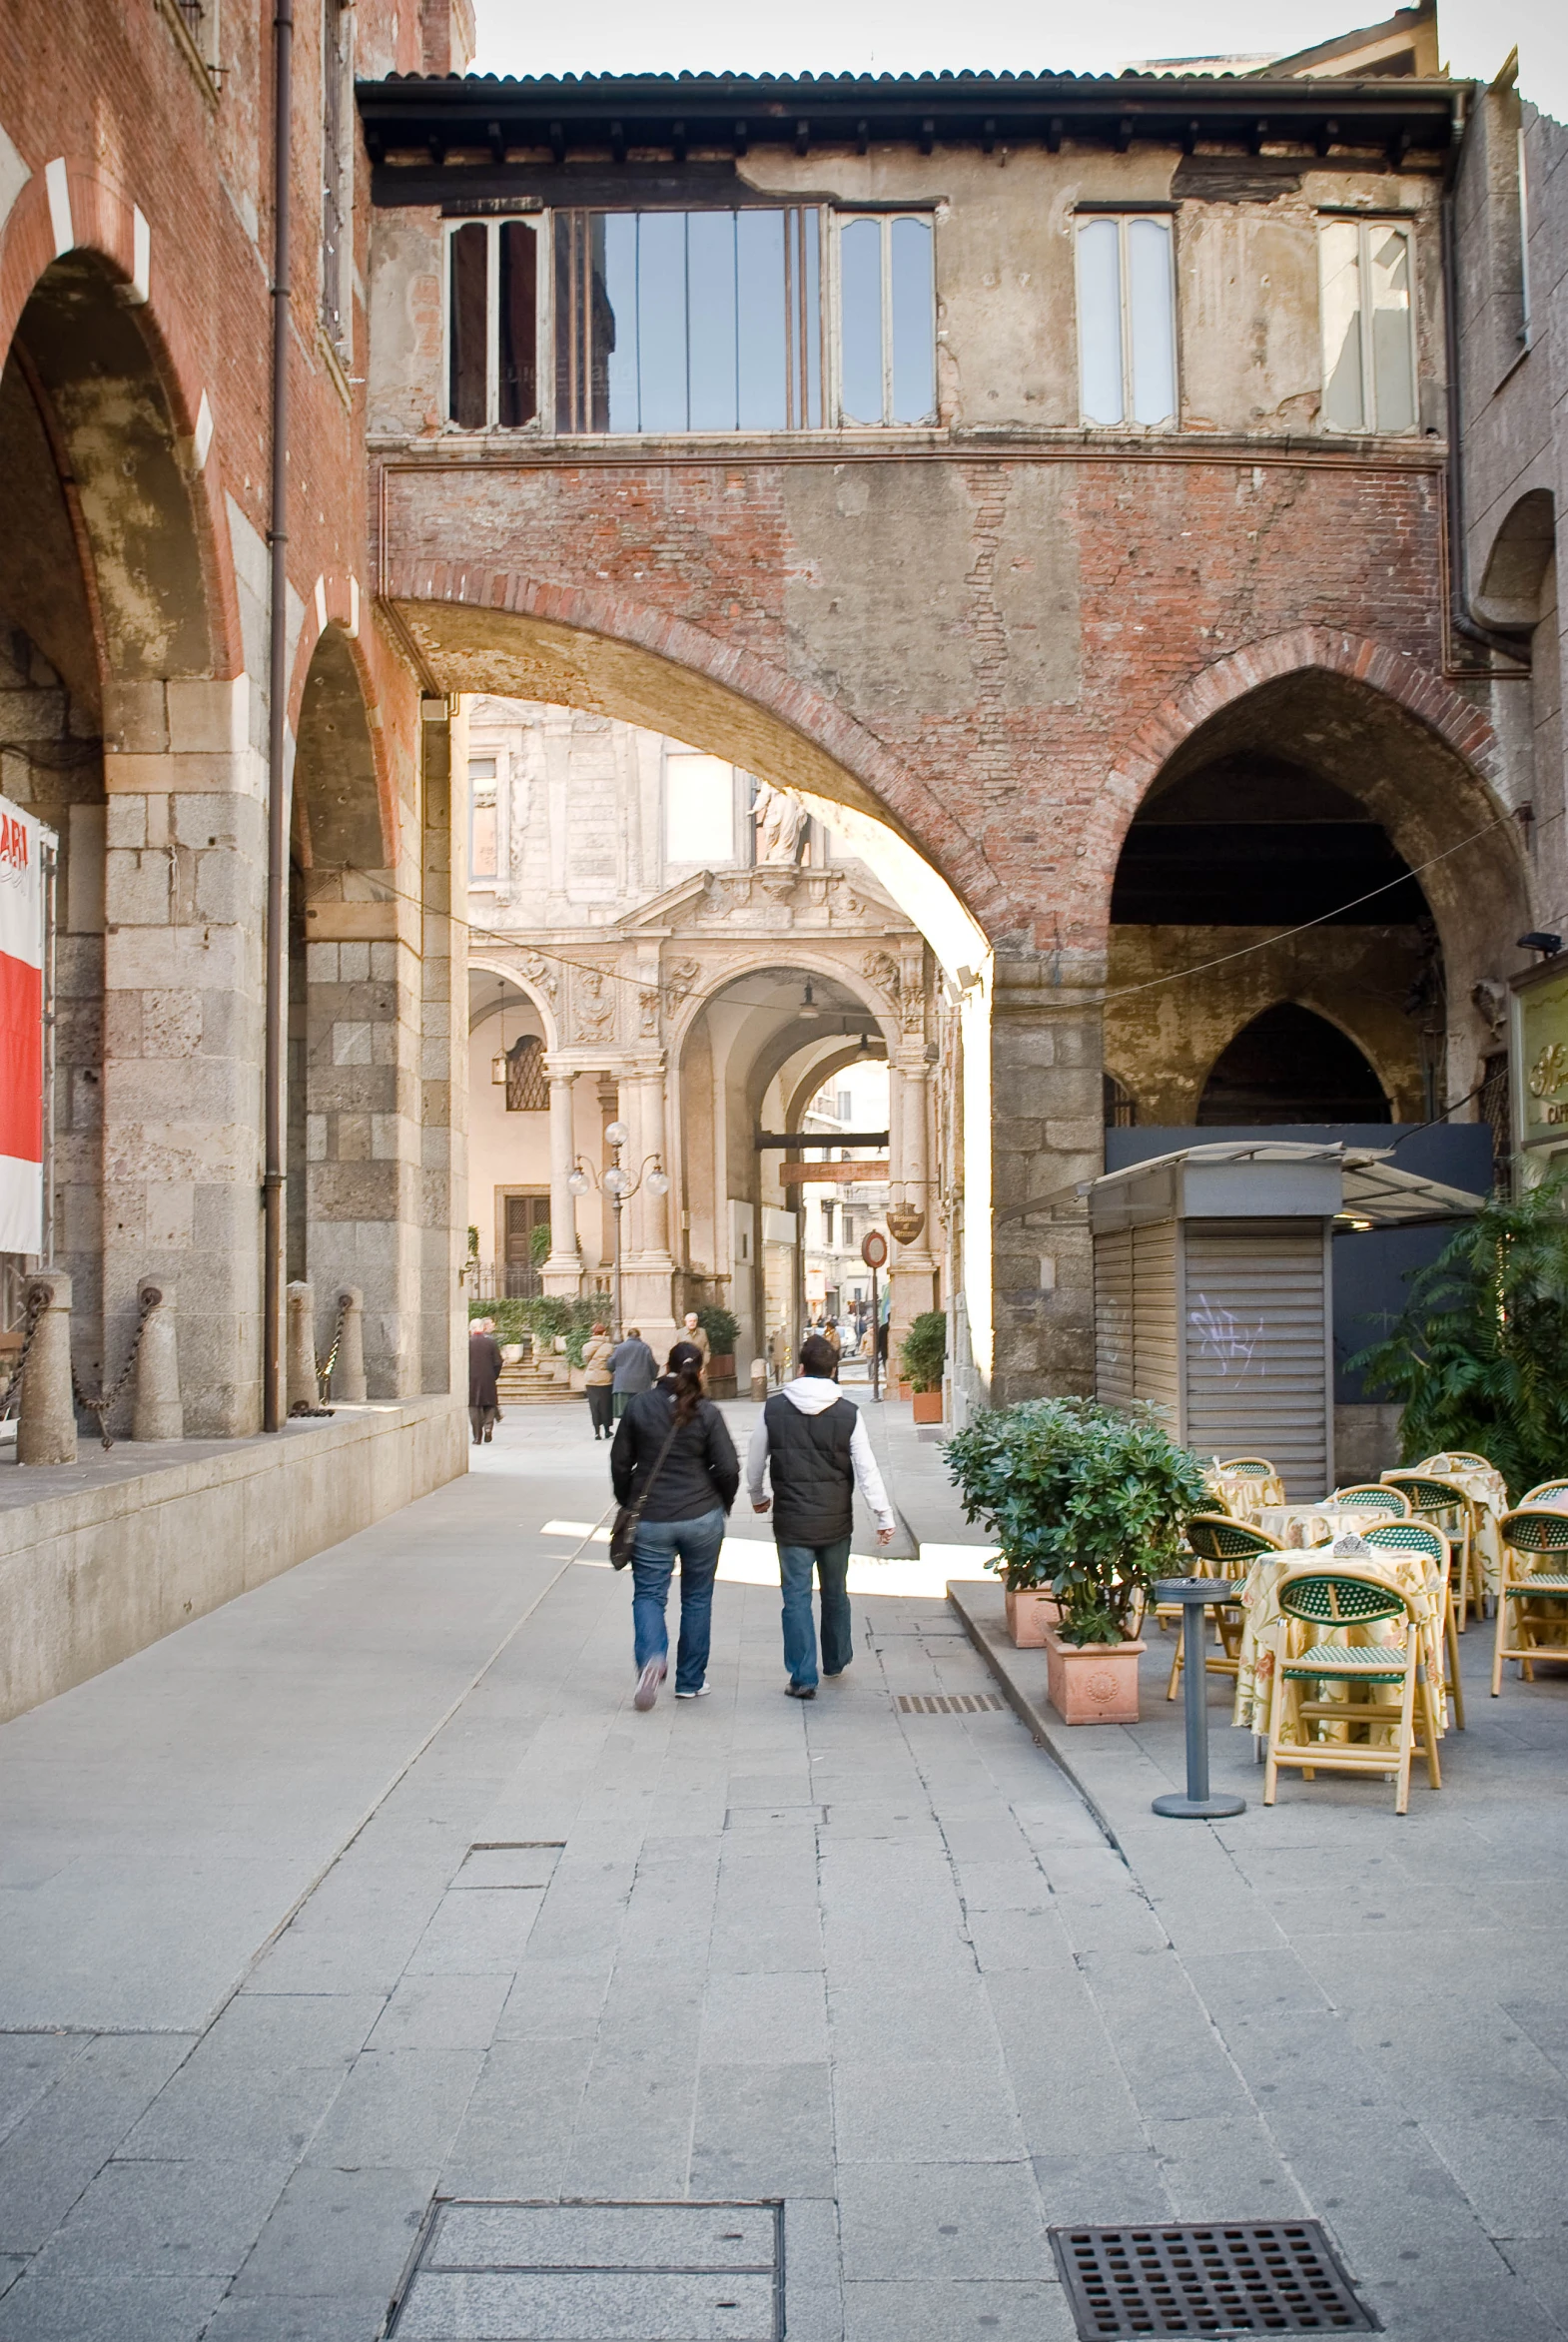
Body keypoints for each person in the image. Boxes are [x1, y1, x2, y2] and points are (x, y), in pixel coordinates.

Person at [747, 1331, 895, 1699]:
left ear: (800, 1368)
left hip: (792, 1522)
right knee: (835, 1591)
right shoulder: (848, 1413)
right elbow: (866, 1467)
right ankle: (835, 1658)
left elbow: (754, 1458)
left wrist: (757, 1494)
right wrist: (883, 1514)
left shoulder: (775, 1408)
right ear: (833, 1371)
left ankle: (802, 1676)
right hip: (835, 1521)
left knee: (795, 1597)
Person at [611, 1340, 739, 1710]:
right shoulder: (708, 1412)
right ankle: (690, 1681)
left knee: (649, 1595)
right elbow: (728, 1467)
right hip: (702, 1517)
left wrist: (628, 1501)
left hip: (651, 1518)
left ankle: (652, 1658)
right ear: (700, 1372)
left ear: (664, 1367)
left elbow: (620, 1462)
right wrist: (721, 1504)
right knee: (697, 1598)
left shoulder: (639, 1406)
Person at [609, 1325, 656, 1421]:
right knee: (640, 1412)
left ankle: (627, 1431)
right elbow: (651, 1364)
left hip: (623, 1385)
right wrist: (654, 1376)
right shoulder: (645, 1347)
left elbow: (610, 1364)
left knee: (625, 1413)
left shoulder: (620, 1347)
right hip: (641, 1385)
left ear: (628, 1336)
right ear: (639, 1336)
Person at [467, 1316, 501, 1445]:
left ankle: (477, 1437)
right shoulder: (491, 1342)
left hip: (472, 1380)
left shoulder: (467, 1343)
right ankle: (488, 1427)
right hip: (488, 1378)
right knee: (490, 1405)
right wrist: (494, 1375)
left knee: (474, 1407)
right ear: (482, 1328)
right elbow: (498, 1362)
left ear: (471, 1329)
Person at [581, 1321, 615, 1440]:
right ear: (604, 1332)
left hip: (590, 1380)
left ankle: (596, 1432)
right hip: (605, 1379)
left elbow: (585, 1361)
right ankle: (607, 1430)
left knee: (594, 1405)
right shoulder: (609, 1347)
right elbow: (612, 1363)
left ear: (593, 1333)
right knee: (606, 1405)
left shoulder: (586, 1346)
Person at [681, 1311, 711, 1383]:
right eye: (690, 1321)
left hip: (700, 1368)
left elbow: (706, 1350)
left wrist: (704, 1364)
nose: (692, 1323)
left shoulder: (702, 1332)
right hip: (685, 1369)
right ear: (686, 1322)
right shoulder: (679, 1333)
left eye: (694, 1321)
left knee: (702, 1388)